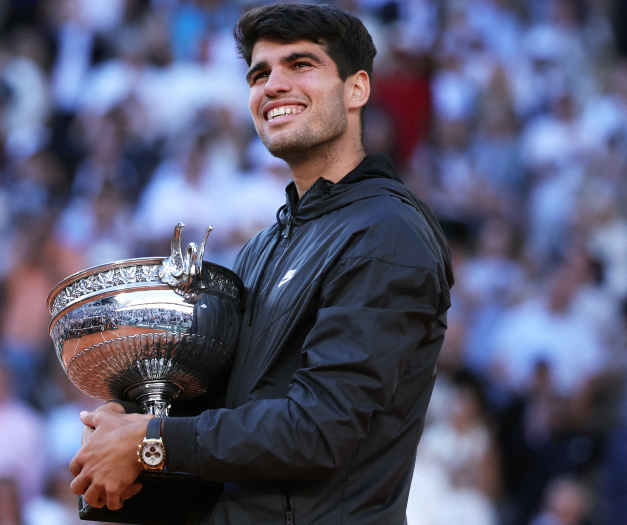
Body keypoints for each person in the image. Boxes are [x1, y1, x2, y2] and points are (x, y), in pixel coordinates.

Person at [68, 5, 454, 525]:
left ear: (356, 89)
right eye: (260, 73)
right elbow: (228, 426)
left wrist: (149, 442)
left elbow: (321, 430)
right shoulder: (261, 247)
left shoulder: (386, 233)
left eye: (301, 65)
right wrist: (127, 432)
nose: (273, 84)